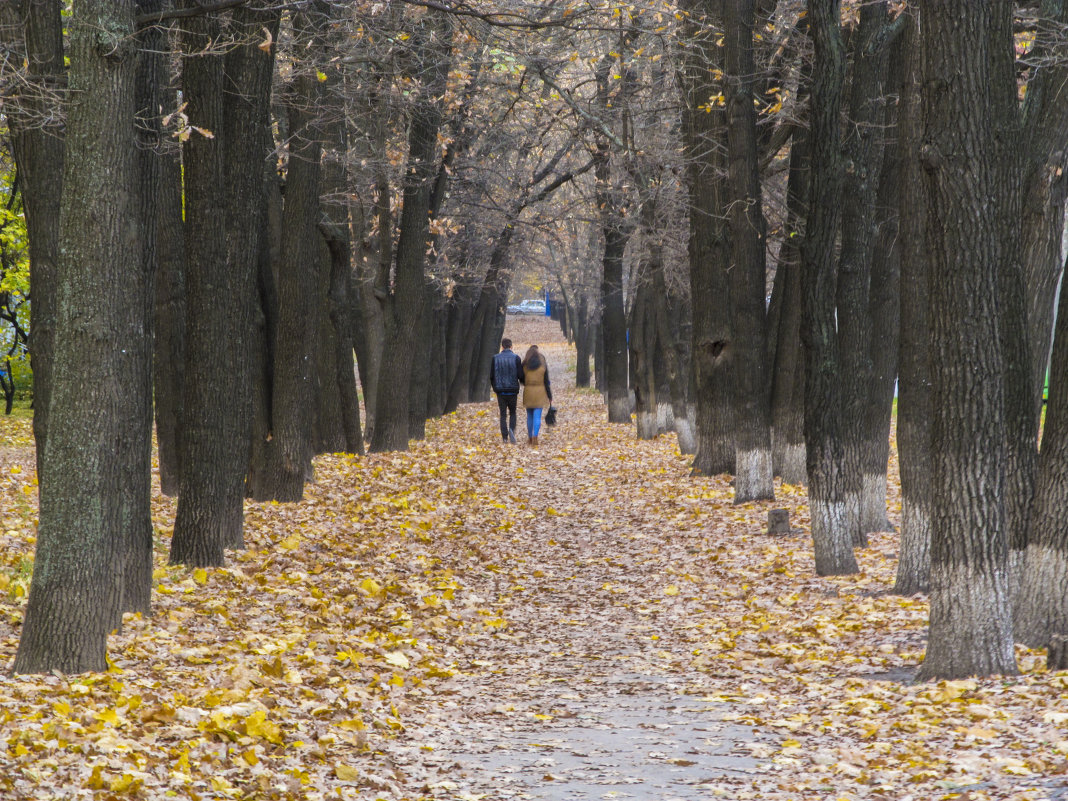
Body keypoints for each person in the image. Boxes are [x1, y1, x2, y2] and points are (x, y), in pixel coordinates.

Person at [490, 338, 524, 443]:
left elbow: (492, 376)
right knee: (513, 412)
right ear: (511, 346)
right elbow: (520, 375)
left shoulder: (495, 358)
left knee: (503, 414)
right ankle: (511, 430)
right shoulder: (516, 358)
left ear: (502, 347)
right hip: (513, 391)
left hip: (500, 391)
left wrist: (495, 388)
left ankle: (504, 438)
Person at [520, 345, 552, 447]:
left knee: (529, 416)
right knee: (537, 416)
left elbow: (521, 379)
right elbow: (546, 381)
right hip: (540, 391)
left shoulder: (524, 365)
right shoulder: (542, 364)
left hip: (528, 391)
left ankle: (529, 438)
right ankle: (535, 437)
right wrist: (549, 395)